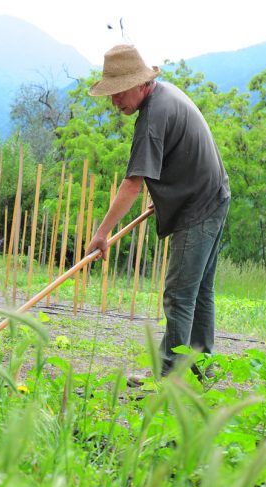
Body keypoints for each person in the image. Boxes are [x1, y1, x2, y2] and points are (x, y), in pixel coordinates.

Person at [85, 44, 230, 385]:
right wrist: (166, 197)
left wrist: (102, 233)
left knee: (180, 293)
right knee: (199, 290)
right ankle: (199, 370)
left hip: (200, 206)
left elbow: (132, 184)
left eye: (118, 93)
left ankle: (169, 377)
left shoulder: (152, 116)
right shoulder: (164, 96)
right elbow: (178, 156)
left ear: (139, 84)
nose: (115, 102)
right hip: (212, 195)